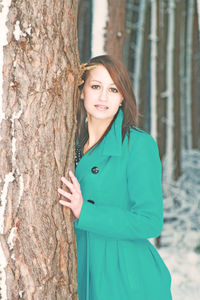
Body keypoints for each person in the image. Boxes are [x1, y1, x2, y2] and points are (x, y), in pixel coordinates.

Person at [58, 55, 172, 300]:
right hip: (79, 273)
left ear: (122, 98)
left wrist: (86, 212)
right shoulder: (67, 145)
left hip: (127, 278)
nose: (103, 97)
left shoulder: (138, 144)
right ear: (81, 91)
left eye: (113, 89)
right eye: (95, 86)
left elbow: (150, 222)